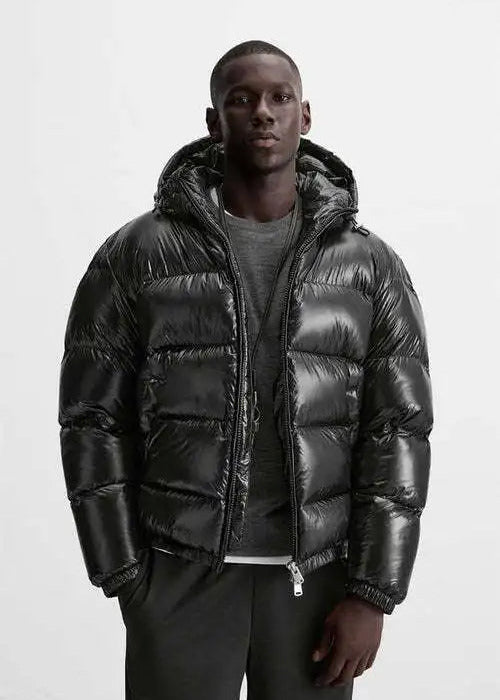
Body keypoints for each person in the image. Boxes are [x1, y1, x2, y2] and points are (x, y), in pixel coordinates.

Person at [58, 39, 433, 699]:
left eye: (279, 98)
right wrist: (123, 574)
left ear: (304, 115)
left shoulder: (368, 266)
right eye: (242, 98)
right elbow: (91, 419)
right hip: (178, 574)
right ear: (214, 121)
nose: (263, 112)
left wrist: (373, 593)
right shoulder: (138, 254)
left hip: (316, 581)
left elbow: (397, 428)